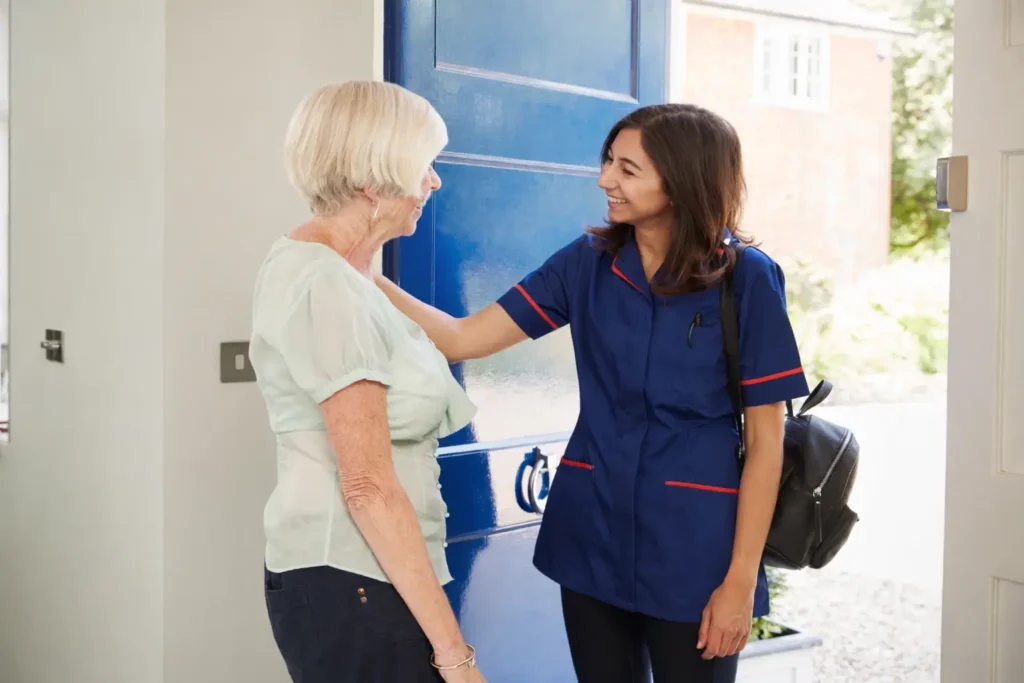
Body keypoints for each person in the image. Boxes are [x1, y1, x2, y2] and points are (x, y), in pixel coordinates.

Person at [374, 103, 809, 683]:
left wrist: (739, 581)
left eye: (628, 169)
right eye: (609, 162)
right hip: (592, 538)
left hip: (695, 552)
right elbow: (461, 338)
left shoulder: (746, 277)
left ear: (683, 180)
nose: (605, 180)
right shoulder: (587, 264)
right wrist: (360, 271)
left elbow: (766, 444)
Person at [249, 81, 487, 683]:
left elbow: (457, 336)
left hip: (361, 576)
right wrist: (456, 656)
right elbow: (368, 489)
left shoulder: (343, 273)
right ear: (373, 182)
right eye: (424, 165)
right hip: (355, 578)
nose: (434, 182)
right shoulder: (328, 286)